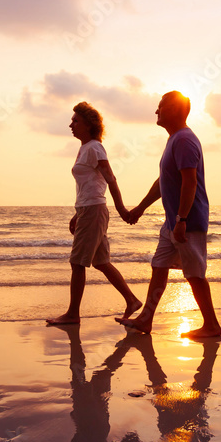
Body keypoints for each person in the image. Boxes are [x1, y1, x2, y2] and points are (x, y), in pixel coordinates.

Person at [117, 91, 221, 339]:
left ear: (174, 110)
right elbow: (163, 182)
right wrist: (141, 208)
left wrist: (183, 219)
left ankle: (212, 326)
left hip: (188, 221)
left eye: (160, 106)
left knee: (195, 274)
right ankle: (146, 319)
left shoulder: (185, 140)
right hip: (173, 222)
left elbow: (190, 181)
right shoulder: (174, 140)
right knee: (159, 266)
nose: (156, 111)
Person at [45, 102, 143, 325]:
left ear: (89, 124)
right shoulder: (86, 147)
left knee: (77, 263)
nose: (71, 124)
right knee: (100, 261)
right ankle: (132, 300)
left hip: (94, 210)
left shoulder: (94, 148)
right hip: (89, 210)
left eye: (75, 120)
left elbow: (111, 179)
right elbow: (89, 185)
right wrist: (77, 213)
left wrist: (122, 210)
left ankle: (72, 315)